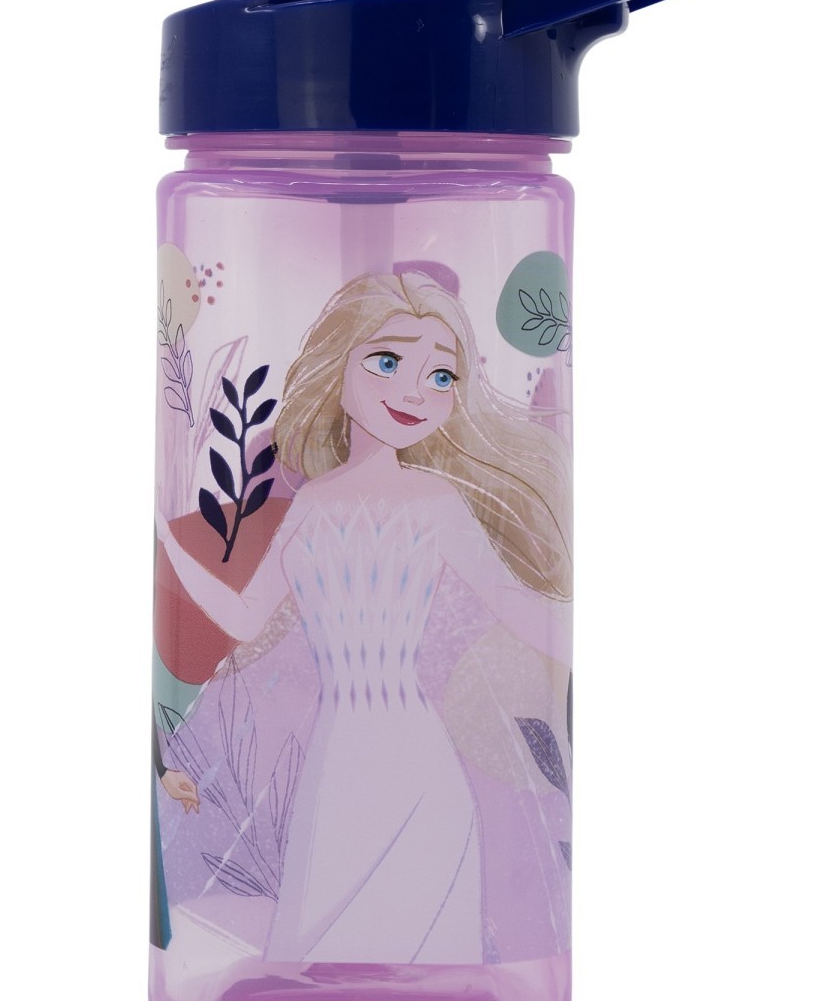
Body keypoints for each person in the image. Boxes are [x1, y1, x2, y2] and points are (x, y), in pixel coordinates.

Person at [155, 272, 571, 965]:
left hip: (418, 760)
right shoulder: (313, 505)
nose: (414, 392)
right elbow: (246, 615)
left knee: (424, 948)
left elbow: (516, 604)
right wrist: (167, 544)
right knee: (324, 938)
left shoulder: (437, 503)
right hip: (339, 757)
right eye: (386, 361)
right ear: (336, 366)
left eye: (442, 376)